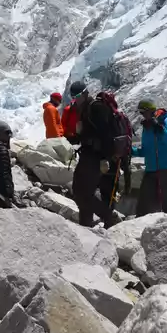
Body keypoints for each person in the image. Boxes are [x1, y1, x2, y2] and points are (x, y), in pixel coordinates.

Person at [69, 82, 120, 228]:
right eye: (73, 97)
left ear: (85, 93)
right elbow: (89, 134)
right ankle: (86, 225)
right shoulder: (84, 109)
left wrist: (105, 158)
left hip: (96, 157)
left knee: (82, 193)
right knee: (80, 191)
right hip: (88, 154)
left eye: (77, 96)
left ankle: (108, 217)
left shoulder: (96, 108)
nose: (75, 99)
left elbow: (106, 135)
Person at [134, 100, 167, 216]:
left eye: (143, 112)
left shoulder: (165, 121)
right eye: (141, 113)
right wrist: (130, 151)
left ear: (150, 111)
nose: (142, 115)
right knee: (143, 206)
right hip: (151, 170)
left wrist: (160, 130)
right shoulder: (147, 127)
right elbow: (145, 150)